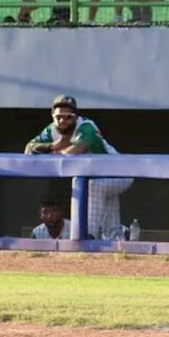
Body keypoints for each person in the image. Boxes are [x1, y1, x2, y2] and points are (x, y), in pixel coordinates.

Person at [23, 95, 132, 241]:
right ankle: (120, 238)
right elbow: (29, 148)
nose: (62, 121)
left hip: (121, 173)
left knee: (94, 187)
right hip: (101, 178)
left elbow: (78, 149)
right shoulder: (51, 131)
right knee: (111, 226)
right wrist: (52, 146)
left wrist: (58, 152)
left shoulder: (86, 126)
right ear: (53, 117)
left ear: (76, 117)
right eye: (58, 117)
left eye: (68, 117)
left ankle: (88, 236)